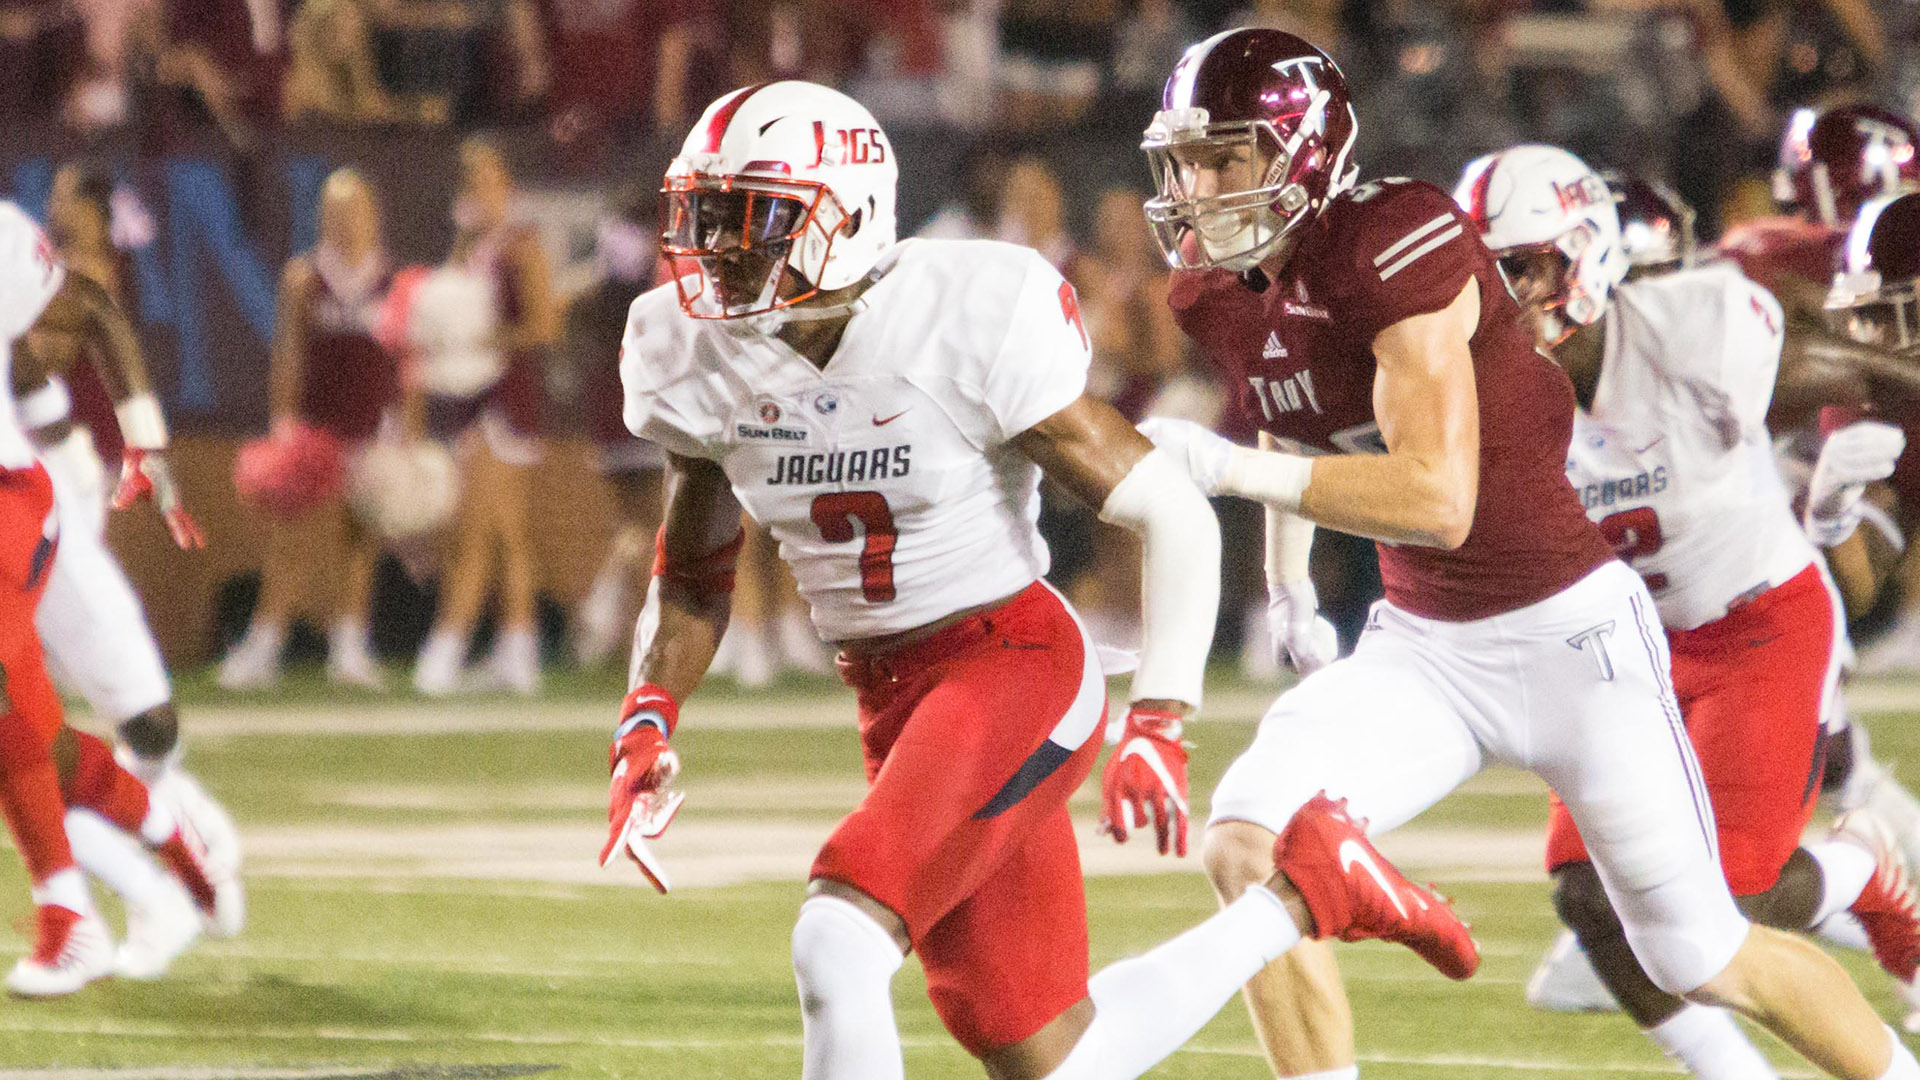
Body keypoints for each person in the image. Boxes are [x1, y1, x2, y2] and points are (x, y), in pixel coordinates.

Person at [605, 79, 1477, 1080]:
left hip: (1010, 663)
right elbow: (693, 575)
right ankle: (1312, 890)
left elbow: (1173, 510)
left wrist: (1157, 719)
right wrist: (648, 715)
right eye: (703, 218)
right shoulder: (691, 350)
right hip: (886, 697)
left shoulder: (960, 318)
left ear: (843, 220)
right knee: (1051, 1058)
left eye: (749, 218)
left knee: (836, 939)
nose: (714, 248)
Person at [1131, 27, 1920, 1080]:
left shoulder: (1398, 238)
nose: (1197, 186)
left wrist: (1227, 476)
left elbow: (1437, 497)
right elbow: (1293, 407)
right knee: (1242, 839)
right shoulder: (1215, 294)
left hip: (1571, 641)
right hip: (1425, 648)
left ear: (1306, 151)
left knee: (1700, 948)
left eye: (1225, 158)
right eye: (1184, 161)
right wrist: (1286, 578)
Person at [1465, 146, 1920, 1080]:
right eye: (1484, 272)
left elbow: (1859, 373)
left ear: (1582, 255)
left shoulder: (1690, 325)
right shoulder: (1482, 387)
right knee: (1590, 897)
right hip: (1624, 643)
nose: (1501, 296)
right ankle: (1727, 1071)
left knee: (1726, 904)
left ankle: (1865, 868)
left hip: (1756, 624)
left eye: (1521, 266)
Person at [0, 201, 237, 996]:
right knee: (24, 730)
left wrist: (144, 442)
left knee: (143, 720)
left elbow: (88, 306)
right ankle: (157, 858)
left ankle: (107, 891)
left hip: (26, 501)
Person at [219, 169, 399, 690]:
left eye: (356, 210)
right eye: (335, 211)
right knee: (291, 540)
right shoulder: (304, 276)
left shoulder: (389, 279)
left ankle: (349, 648)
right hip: (315, 427)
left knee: (359, 537)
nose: (346, 221)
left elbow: (400, 361)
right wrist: (283, 425)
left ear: (372, 215)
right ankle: (264, 644)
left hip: (370, 427)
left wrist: (403, 428)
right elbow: (289, 355)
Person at [412, 137, 557, 696]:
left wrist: (481, 337)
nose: (477, 195)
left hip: (506, 400)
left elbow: (544, 326)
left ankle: (443, 653)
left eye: (487, 183)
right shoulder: (462, 249)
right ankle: (519, 655)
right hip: (467, 398)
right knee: (505, 533)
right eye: (468, 185)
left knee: (478, 529)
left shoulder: (520, 247)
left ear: (507, 189)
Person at [569, 183, 665, 668]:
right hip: (642, 406)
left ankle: (616, 628)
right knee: (650, 532)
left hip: (611, 406)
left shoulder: (606, 264)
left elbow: (579, 304)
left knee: (631, 531)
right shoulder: (649, 263)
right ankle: (625, 632)